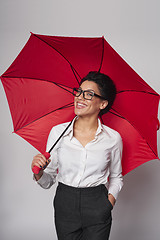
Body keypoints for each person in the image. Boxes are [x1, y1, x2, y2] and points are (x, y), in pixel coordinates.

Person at [31, 71, 123, 240]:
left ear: (103, 104)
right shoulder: (58, 132)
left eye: (89, 94)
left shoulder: (113, 138)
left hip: (97, 202)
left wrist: (108, 203)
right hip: (65, 202)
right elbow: (48, 181)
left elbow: (117, 177)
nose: (79, 98)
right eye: (79, 92)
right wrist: (39, 173)